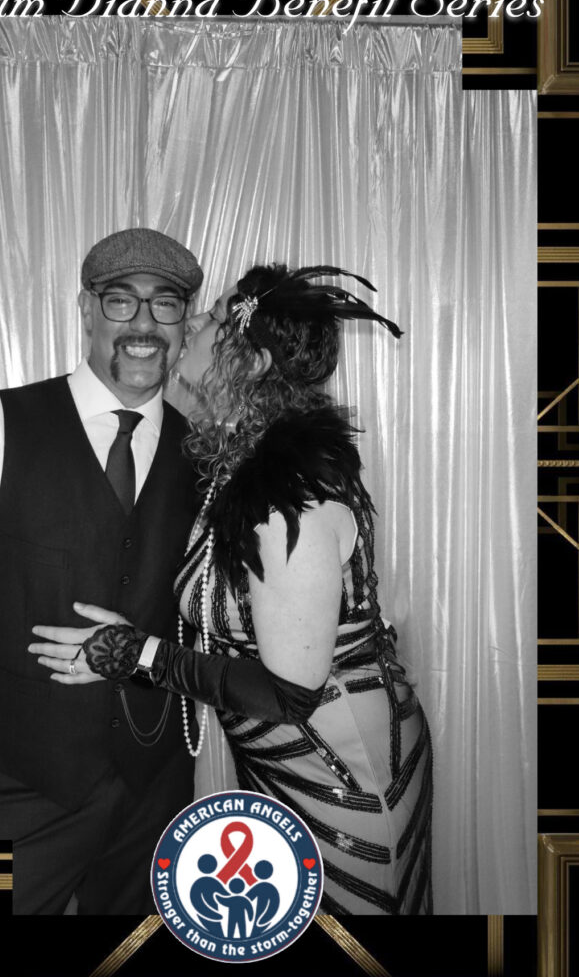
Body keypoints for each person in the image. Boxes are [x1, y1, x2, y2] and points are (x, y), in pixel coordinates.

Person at [30, 263, 433, 915]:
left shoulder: (286, 496)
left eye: (212, 319)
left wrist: (134, 654)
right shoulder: (241, 463)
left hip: (344, 765)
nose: (190, 326)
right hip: (284, 759)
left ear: (250, 360)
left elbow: (289, 692)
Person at [0, 228, 202, 914]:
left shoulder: (204, 454)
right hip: (18, 790)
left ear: (186, 324)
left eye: (165, 303)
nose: (143, 323)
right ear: (86, 310)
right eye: (120, 300)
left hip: (156, 791)